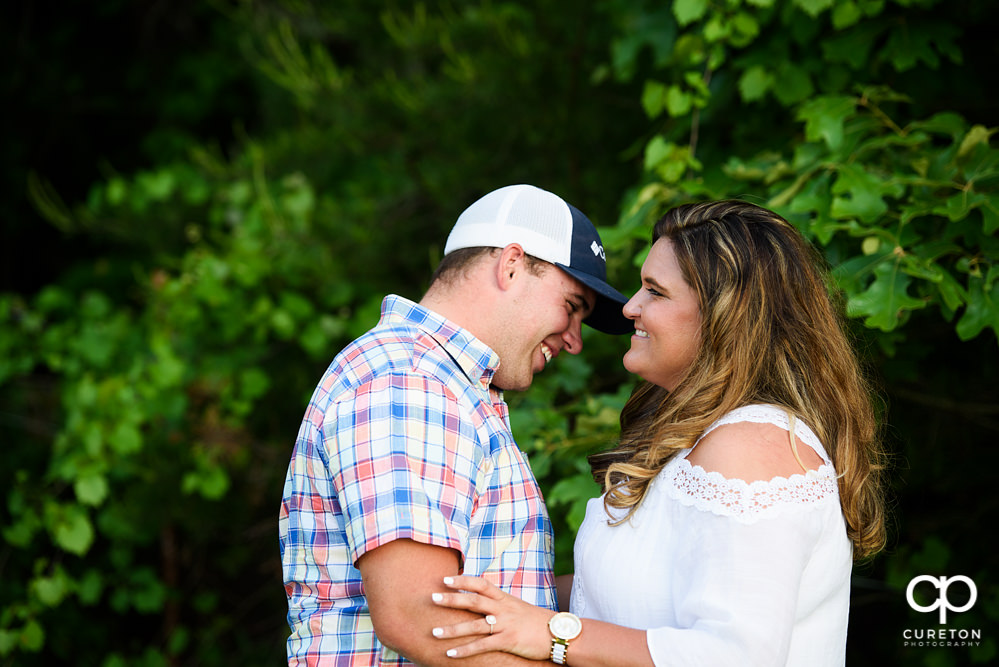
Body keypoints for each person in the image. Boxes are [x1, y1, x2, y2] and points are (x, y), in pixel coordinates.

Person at [430, 200, 887, 666]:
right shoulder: (705, 440)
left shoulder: (753, 447)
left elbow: (734, 655)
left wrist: (555, 635)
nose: (631, 307)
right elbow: (607, 600)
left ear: (726, 316)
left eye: (656, 291)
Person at [279, 184, 632, 665]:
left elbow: (500, 590)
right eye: (571, 307)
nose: (574, 341)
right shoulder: (410, 382)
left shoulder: (445, 386)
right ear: (511, 265)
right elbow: (422, 619)